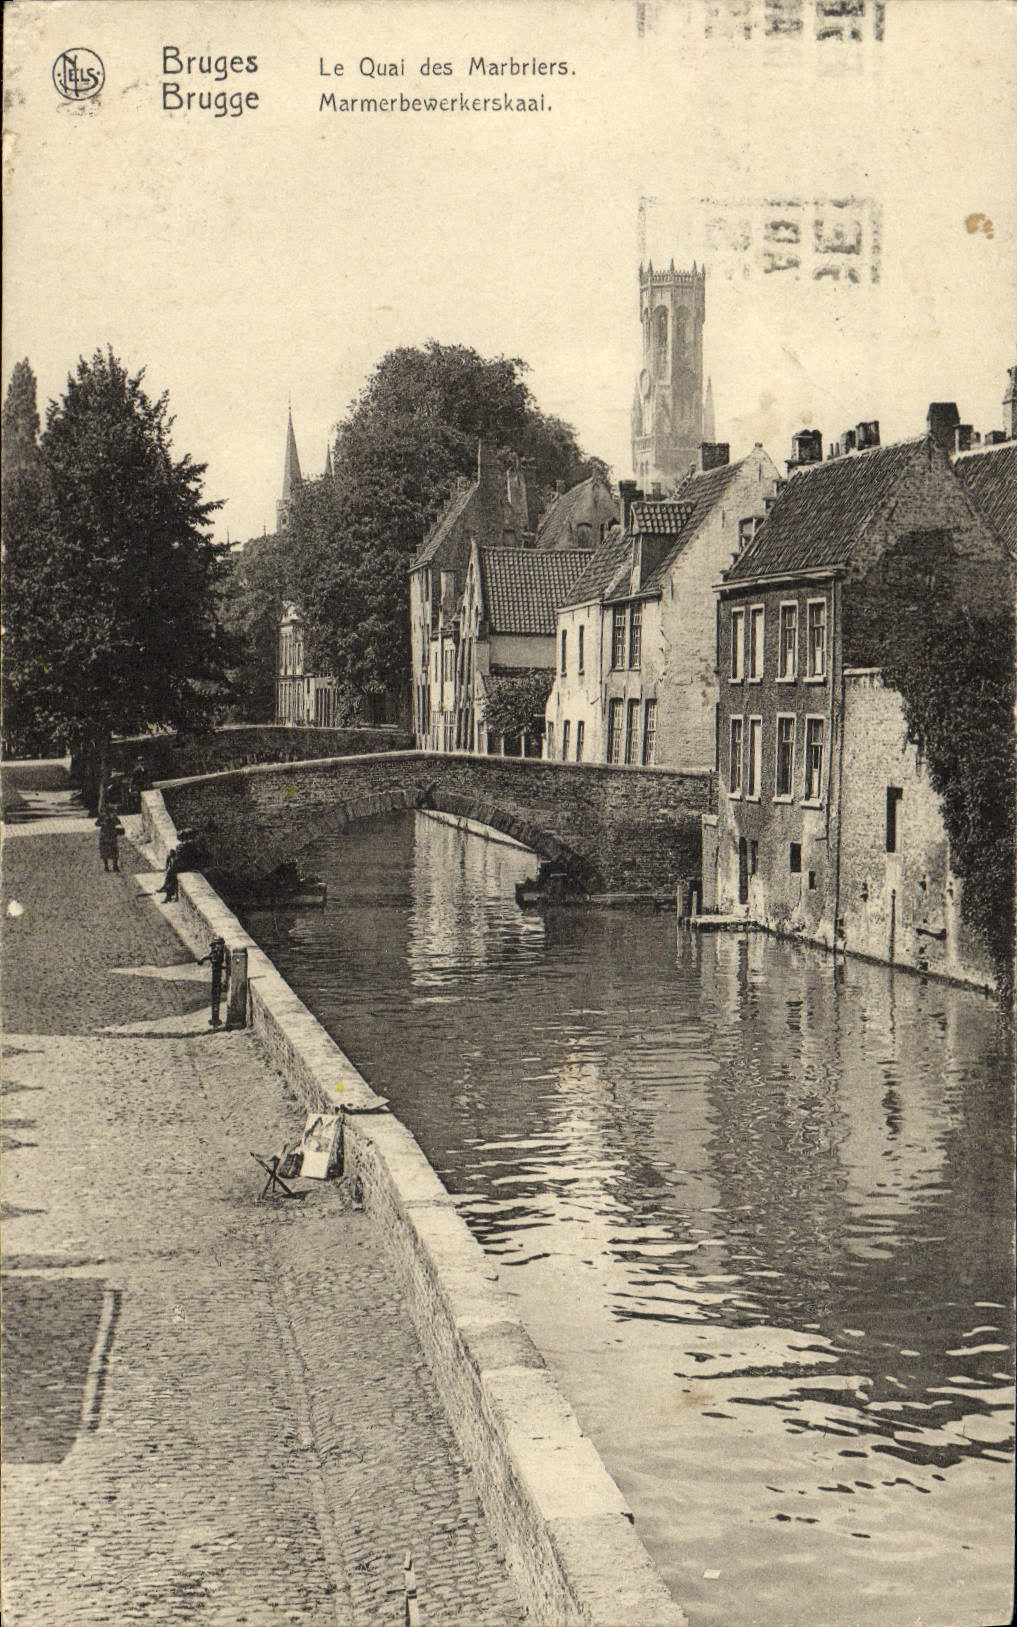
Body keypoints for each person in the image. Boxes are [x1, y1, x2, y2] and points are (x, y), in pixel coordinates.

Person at [197, 936, 228, 1028]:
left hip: (217, 974)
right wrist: (201, 960)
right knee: (215, 995)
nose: (219, 947)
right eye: (217, 945)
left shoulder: (217, 953)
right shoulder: (215, 953)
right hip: (216, 974)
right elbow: (207, 957)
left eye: (220, 945)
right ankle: (215, 1019)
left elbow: (207, 958)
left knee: (216, 995)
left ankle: (215, 1018)